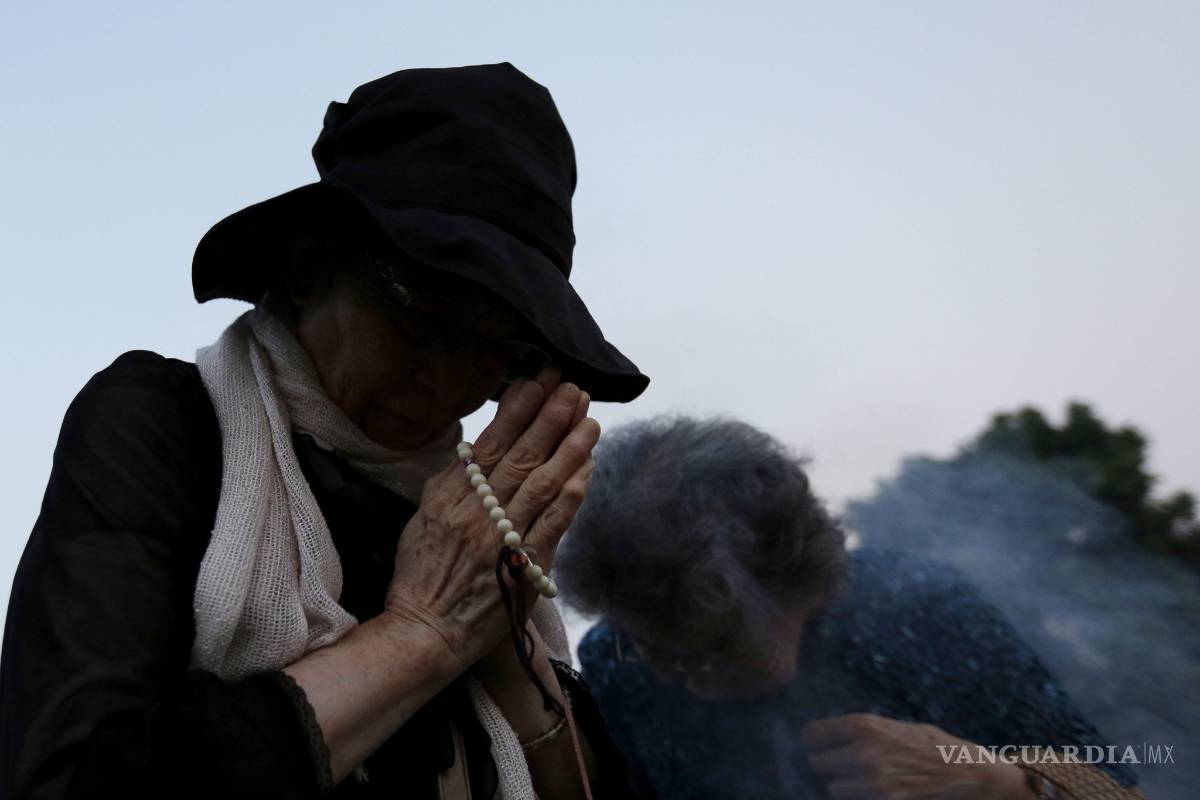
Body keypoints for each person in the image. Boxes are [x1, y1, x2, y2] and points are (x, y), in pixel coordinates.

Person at [0, 63, 649, 799]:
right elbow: (74, 777)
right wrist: (419, 635)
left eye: (500, 351)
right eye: (425, 315)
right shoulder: (164, 426)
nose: (451, 382)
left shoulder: (468, 522)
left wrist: (501, 636)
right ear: (310, 265)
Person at [555, 416, 1148, 799]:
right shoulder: (615, 664)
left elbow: (1117, 789)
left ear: (802, 584)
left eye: (715, 645)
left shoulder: (920, 608)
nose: (677, 675)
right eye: (651, 646)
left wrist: (992, 781)